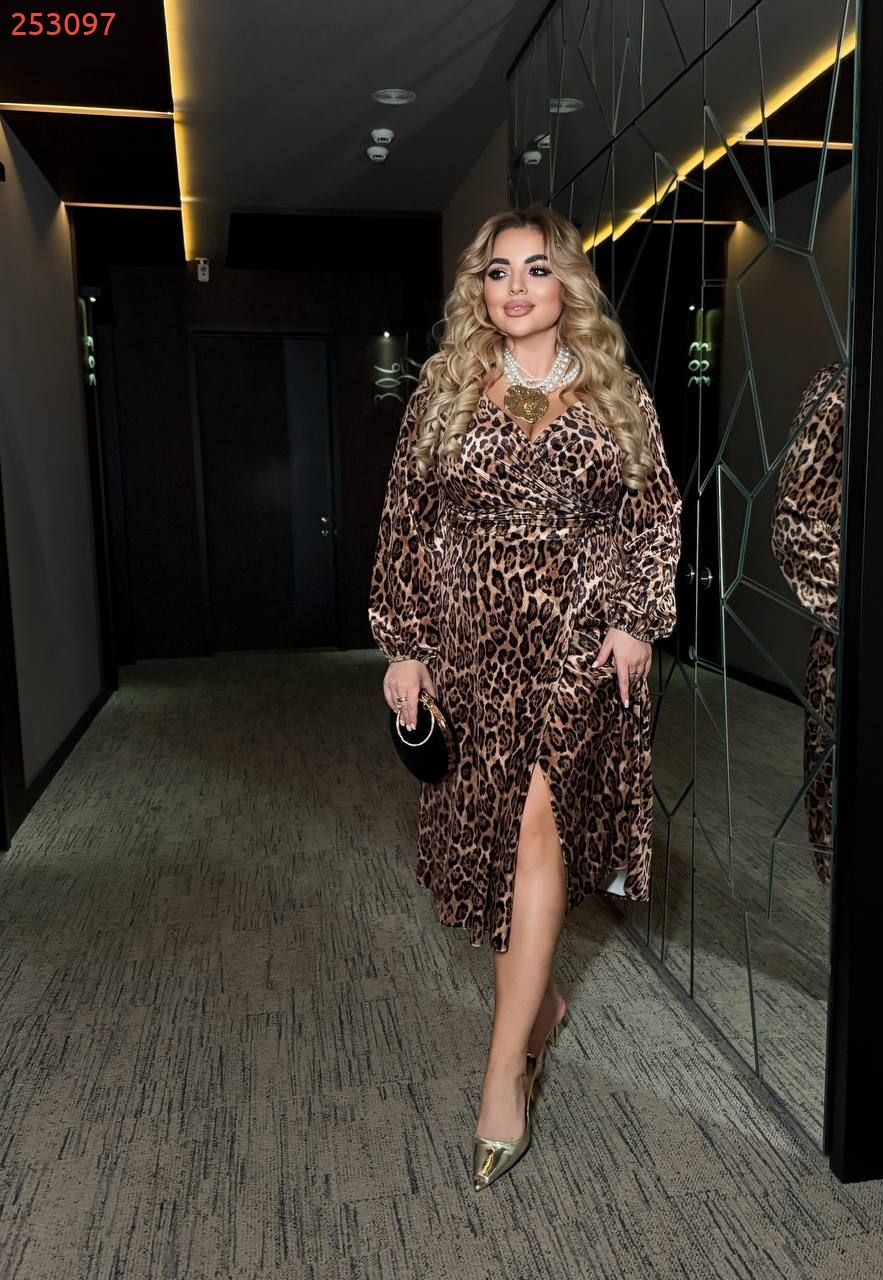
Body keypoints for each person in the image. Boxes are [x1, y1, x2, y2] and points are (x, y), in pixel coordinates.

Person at [368, 205, 683, 1191]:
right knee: (501, 842)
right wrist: (406, 644)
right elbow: (407, 522)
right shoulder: (445, 390)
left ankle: (504, 1075)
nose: (515, 286)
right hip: (477, 653)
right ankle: (540, 1008)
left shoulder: (615, 391)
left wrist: (636, 619)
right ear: (480, 289)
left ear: (566, 284)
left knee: (539, 823)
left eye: (536, 268)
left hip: (581, 649)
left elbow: (655, 516)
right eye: (497, 270)